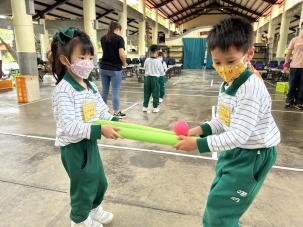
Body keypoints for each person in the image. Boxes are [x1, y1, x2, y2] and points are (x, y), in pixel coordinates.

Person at [174, 17, 280, 227]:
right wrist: (201, 130)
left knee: (220, 212)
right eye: (217, 62)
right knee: (217, 204)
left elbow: (239, 135)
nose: (223, 68)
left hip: (252, 155)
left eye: (230, 61)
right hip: (235, 151)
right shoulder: (228, 84)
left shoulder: (250, 88)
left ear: (248, 54)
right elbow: (223, 121)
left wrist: (198, 144)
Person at [50, 27, 121, 227]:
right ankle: (79, 220)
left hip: (89, 142)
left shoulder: (89, 85)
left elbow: (101, 112)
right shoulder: (64, 91)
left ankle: (94, 209)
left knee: (99, 181)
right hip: (74, 148)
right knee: (83, 186)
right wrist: (100, 130)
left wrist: (113, 121)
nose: (87, 63)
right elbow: (68, 126)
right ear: (65, 60)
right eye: (82, 58)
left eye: (90, 58)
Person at [100, 21, 127, 118]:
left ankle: (102, 111)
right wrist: (124, 63)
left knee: (104, 91)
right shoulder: (119, 39)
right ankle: (116, 111)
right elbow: (121, 54)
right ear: (117, 29)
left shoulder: (103, 38)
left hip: (103, 67)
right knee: (115, 91)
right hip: (115, 69)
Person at [283, 24, 303, 110]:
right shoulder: (295, 40)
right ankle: (289, 101)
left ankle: (300, 102)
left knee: (302, 86)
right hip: (295, 66)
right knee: (292, 85)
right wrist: (286, 64)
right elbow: (288, 53)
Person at [143, 45, 165, 113]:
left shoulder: (146, 60)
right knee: (155, 93)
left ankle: (145, 107)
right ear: (156, 52)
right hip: (155, 79)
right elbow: (162, 72)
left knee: (146, 93)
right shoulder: (158, 61)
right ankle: (155, 108)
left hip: (146, 78)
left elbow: (144, 68)